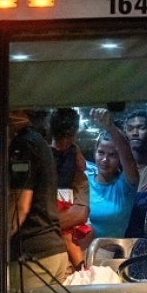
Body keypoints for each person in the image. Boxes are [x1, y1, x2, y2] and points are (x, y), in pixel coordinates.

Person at [8, 109, 67, 293]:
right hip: (54, 252)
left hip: (33, 256)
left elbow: (20, 206)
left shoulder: (23, 145)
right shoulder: (38, 141)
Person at [86, 108, 139, 238]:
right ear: (94, 153)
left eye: (112, 155)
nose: (105, 159)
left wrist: (110, 127)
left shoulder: (125, 185)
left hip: (108, 252)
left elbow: (128, 159)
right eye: (101, 153)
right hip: (78, 248)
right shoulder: (85, 177)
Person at [49, 108, 91, 272]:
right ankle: (82, 269)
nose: (65, 141)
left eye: (70, 136)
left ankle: (81, 269)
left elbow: (82, 166)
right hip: (54, 196)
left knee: (68, 235)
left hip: (66, 196)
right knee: (67, 235)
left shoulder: (73, 150)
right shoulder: (47, 151)